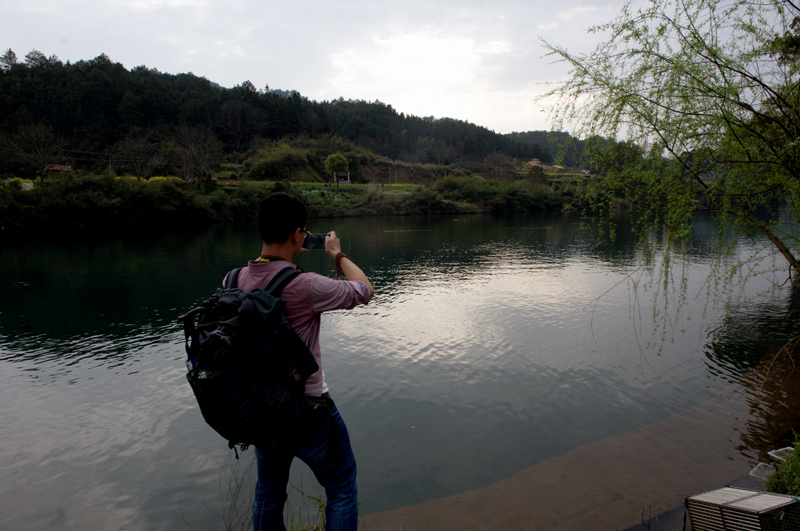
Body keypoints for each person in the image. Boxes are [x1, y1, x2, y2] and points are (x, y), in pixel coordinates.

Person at [227, 191, 374, 531]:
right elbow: (364, 289)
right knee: (340, 486)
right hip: (308, 409)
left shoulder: (232, 281)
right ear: (298, 235)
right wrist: (337, 255)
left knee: (268, 493)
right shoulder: (305, 284)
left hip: (261, 410)